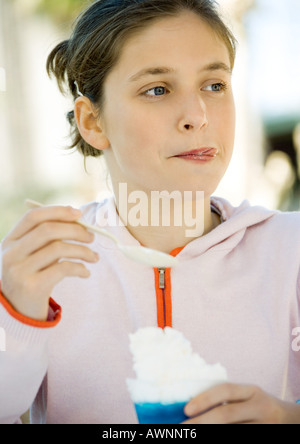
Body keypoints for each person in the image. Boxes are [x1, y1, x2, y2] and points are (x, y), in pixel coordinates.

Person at [0, 0, 300, 424]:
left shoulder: (292, 251)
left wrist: (289, 417)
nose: (197, 116)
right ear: (92, 122)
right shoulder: (44, 269)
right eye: (157, 89)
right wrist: (13, 316)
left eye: (214, 85)